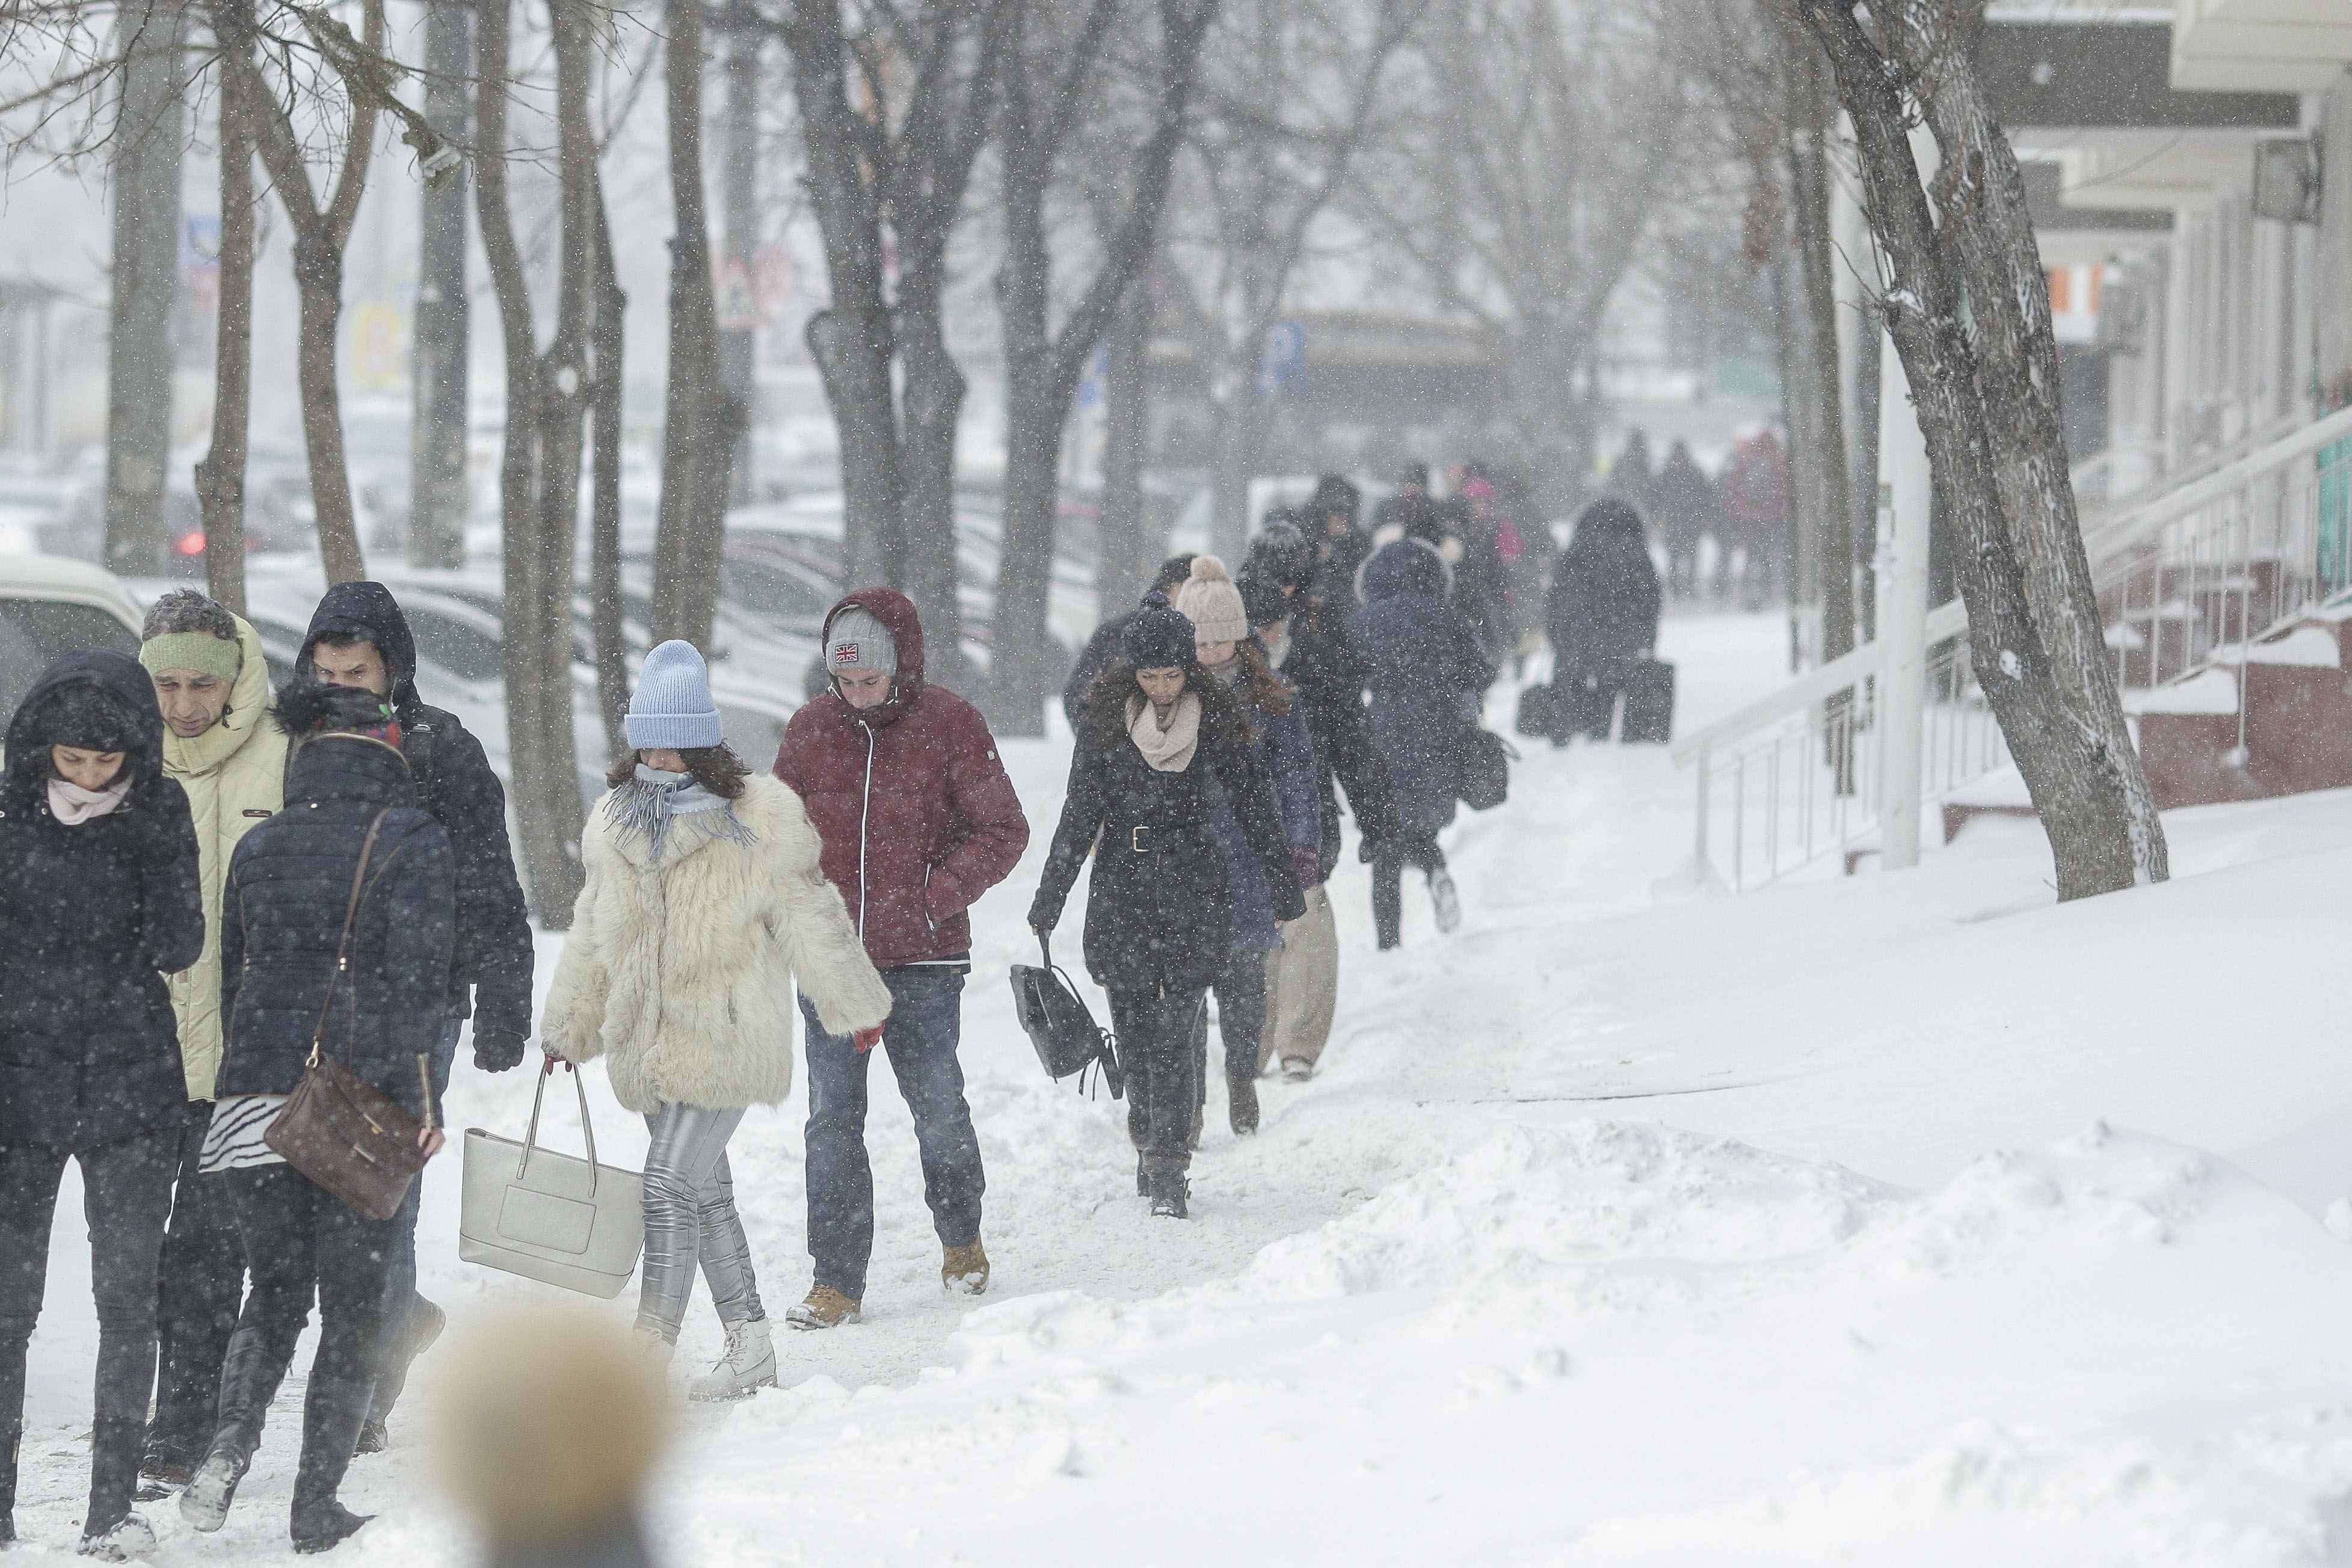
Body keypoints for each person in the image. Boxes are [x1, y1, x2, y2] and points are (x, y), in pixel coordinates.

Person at [547, 641, 893, 1395]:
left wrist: (854, 1004)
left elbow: (810, 912)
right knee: (705, 1195)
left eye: (673, 742)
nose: (659, 756)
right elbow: (589, 924)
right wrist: (570, 1024)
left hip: (727, 1036)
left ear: (703, 743)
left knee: (666, 1185)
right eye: (648, 739)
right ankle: (750, 1344)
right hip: (646, 1037)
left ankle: (645, 1360)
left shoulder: (761, 817)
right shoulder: (614, 819)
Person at [180, 681, 454, 1554]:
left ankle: (226, 1447)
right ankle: (314, 1504)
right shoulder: (413, 837)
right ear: (387, 751)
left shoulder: (259, 843)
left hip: (253, 1101)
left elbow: (235, 976)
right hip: (352, 1106)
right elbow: (419, 987)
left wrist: (249, 1076)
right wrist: (421, 1105)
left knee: (273, 1293)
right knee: (349, 1310)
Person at [297, 582, 533, 1448]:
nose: (340, 686)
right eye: (324, 670)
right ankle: (393, 1326)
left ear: (393, 668)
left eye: (355, 670)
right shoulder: (296, 745)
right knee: (332, 1201)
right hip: (316, 1001)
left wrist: (506, 996)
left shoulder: (441, 751)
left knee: (380, 1199)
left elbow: (489, 882)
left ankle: (362, 1395)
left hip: (416, 1004)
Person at [774, 591, 1029, 1330]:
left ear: (902, 666)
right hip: (832, 961)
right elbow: (777, 833)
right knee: (832, 1122)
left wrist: (932, 896)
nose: (856, 698)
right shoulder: (810, 730)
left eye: (870, 682)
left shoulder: (951, 724)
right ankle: (837, 1280)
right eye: (843, 682)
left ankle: (960, 1235)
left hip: (924, 961)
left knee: (938, 1110)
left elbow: (1003, 830)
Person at [0, 650, 203, 1560]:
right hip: (19, 1088)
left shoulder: (159, 814)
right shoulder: (7, 818)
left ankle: (109, 1507)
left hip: (131, 1086)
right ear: (41, 747)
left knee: (128, 1301)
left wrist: (153, 843)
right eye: (71, 761)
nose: (87, 777)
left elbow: (180, 941)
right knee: (10, 1306)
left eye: (105, 763)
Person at [1028, 597, 1303, 1219]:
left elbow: (1254, 805)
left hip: (1191, 886)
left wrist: (1283, 887)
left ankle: (1170, 1165)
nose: (1161, 689)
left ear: (1189, 670)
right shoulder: (1104, 721)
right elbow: (1079, 814)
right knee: (1132, 1028)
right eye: (1150, 676)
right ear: (1133, 672)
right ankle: (1147, 1131)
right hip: (1122, 885)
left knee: (1177, 1029)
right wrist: (1050, 897)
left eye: (1172, 676)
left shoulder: (1216, 719)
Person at [135, 589, 289, 1490]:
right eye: (169, 684)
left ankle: (181, 1426)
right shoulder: (121, 758)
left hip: (248, 1054)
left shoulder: (284, 753)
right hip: (148, 1052)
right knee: (153, 1248)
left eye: (202, 684)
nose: (186, 704)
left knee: (206, 1247)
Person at [1239, 523, 1401, 1079]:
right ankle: (1251, 1047)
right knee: (1256, 940)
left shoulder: (1319, 644)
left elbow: (1351, 740)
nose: (1281, 599)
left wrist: (1377, 816)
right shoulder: (1215, 650)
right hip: (1235, 820)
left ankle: (1294, 1047)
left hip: (1303, 817)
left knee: (1303, 927)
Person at [1172, 558, 1319, 1135]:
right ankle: (1190, 1098)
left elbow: (1298, 778)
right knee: (1182, 989)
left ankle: (1240, 1077)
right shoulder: (1167, 699)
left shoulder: (1273, 700)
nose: (1210, 654)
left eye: (1220, 641)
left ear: (1240, 636)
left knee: (1243, 987)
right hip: (1186, 863)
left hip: (1251, 860)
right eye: (1200, 643)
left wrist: (1300, 844)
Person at [1350, 538, 1495, 949]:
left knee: (1385, 842)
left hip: (1381, 735)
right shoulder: (1446, 617)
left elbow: (1341, 677)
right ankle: (1435, 869)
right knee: (1421, 825)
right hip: (1438, 731)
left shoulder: (1364, 623)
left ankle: (1389, 942)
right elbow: (1481, 670)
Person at [1548, 498, 1664, 745]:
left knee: (1569, 681)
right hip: (1617, 631)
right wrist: (1647, 637)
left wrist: (1555, 630)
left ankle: (1562, 735)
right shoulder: (1634, 551)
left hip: (1576, 628)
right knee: (1608, 685)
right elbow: (1650, 597)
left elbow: (1556, 593)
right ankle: (1599, 735)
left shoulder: (1577, 548)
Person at [1062, 553, 1196, 731]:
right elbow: (1078, 695)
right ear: (1174, 587)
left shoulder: (1212, 635)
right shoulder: (1118, 633)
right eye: (1194, 591)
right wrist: (1104, 742)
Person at [1725, 428, 1791, 609]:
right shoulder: (1778, 460)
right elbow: (1784, 488)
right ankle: (1766, 587)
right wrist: (1778, 510)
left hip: (1749, 516)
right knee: (1768, 554)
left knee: (1751, 553)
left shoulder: (1747, 458)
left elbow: (1734, 486)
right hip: (1771, 516)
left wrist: (1739, 510)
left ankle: (1747, 584)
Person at [1651, 441, 1723, 600]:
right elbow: (1708, 497)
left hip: (1686, 522)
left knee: (1687, 556)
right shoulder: (1692, 473)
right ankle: (1678, 586)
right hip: (1683, 522)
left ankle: (1686, 586)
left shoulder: (1669, 474)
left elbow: (1707, 497)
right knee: (1675, 556)